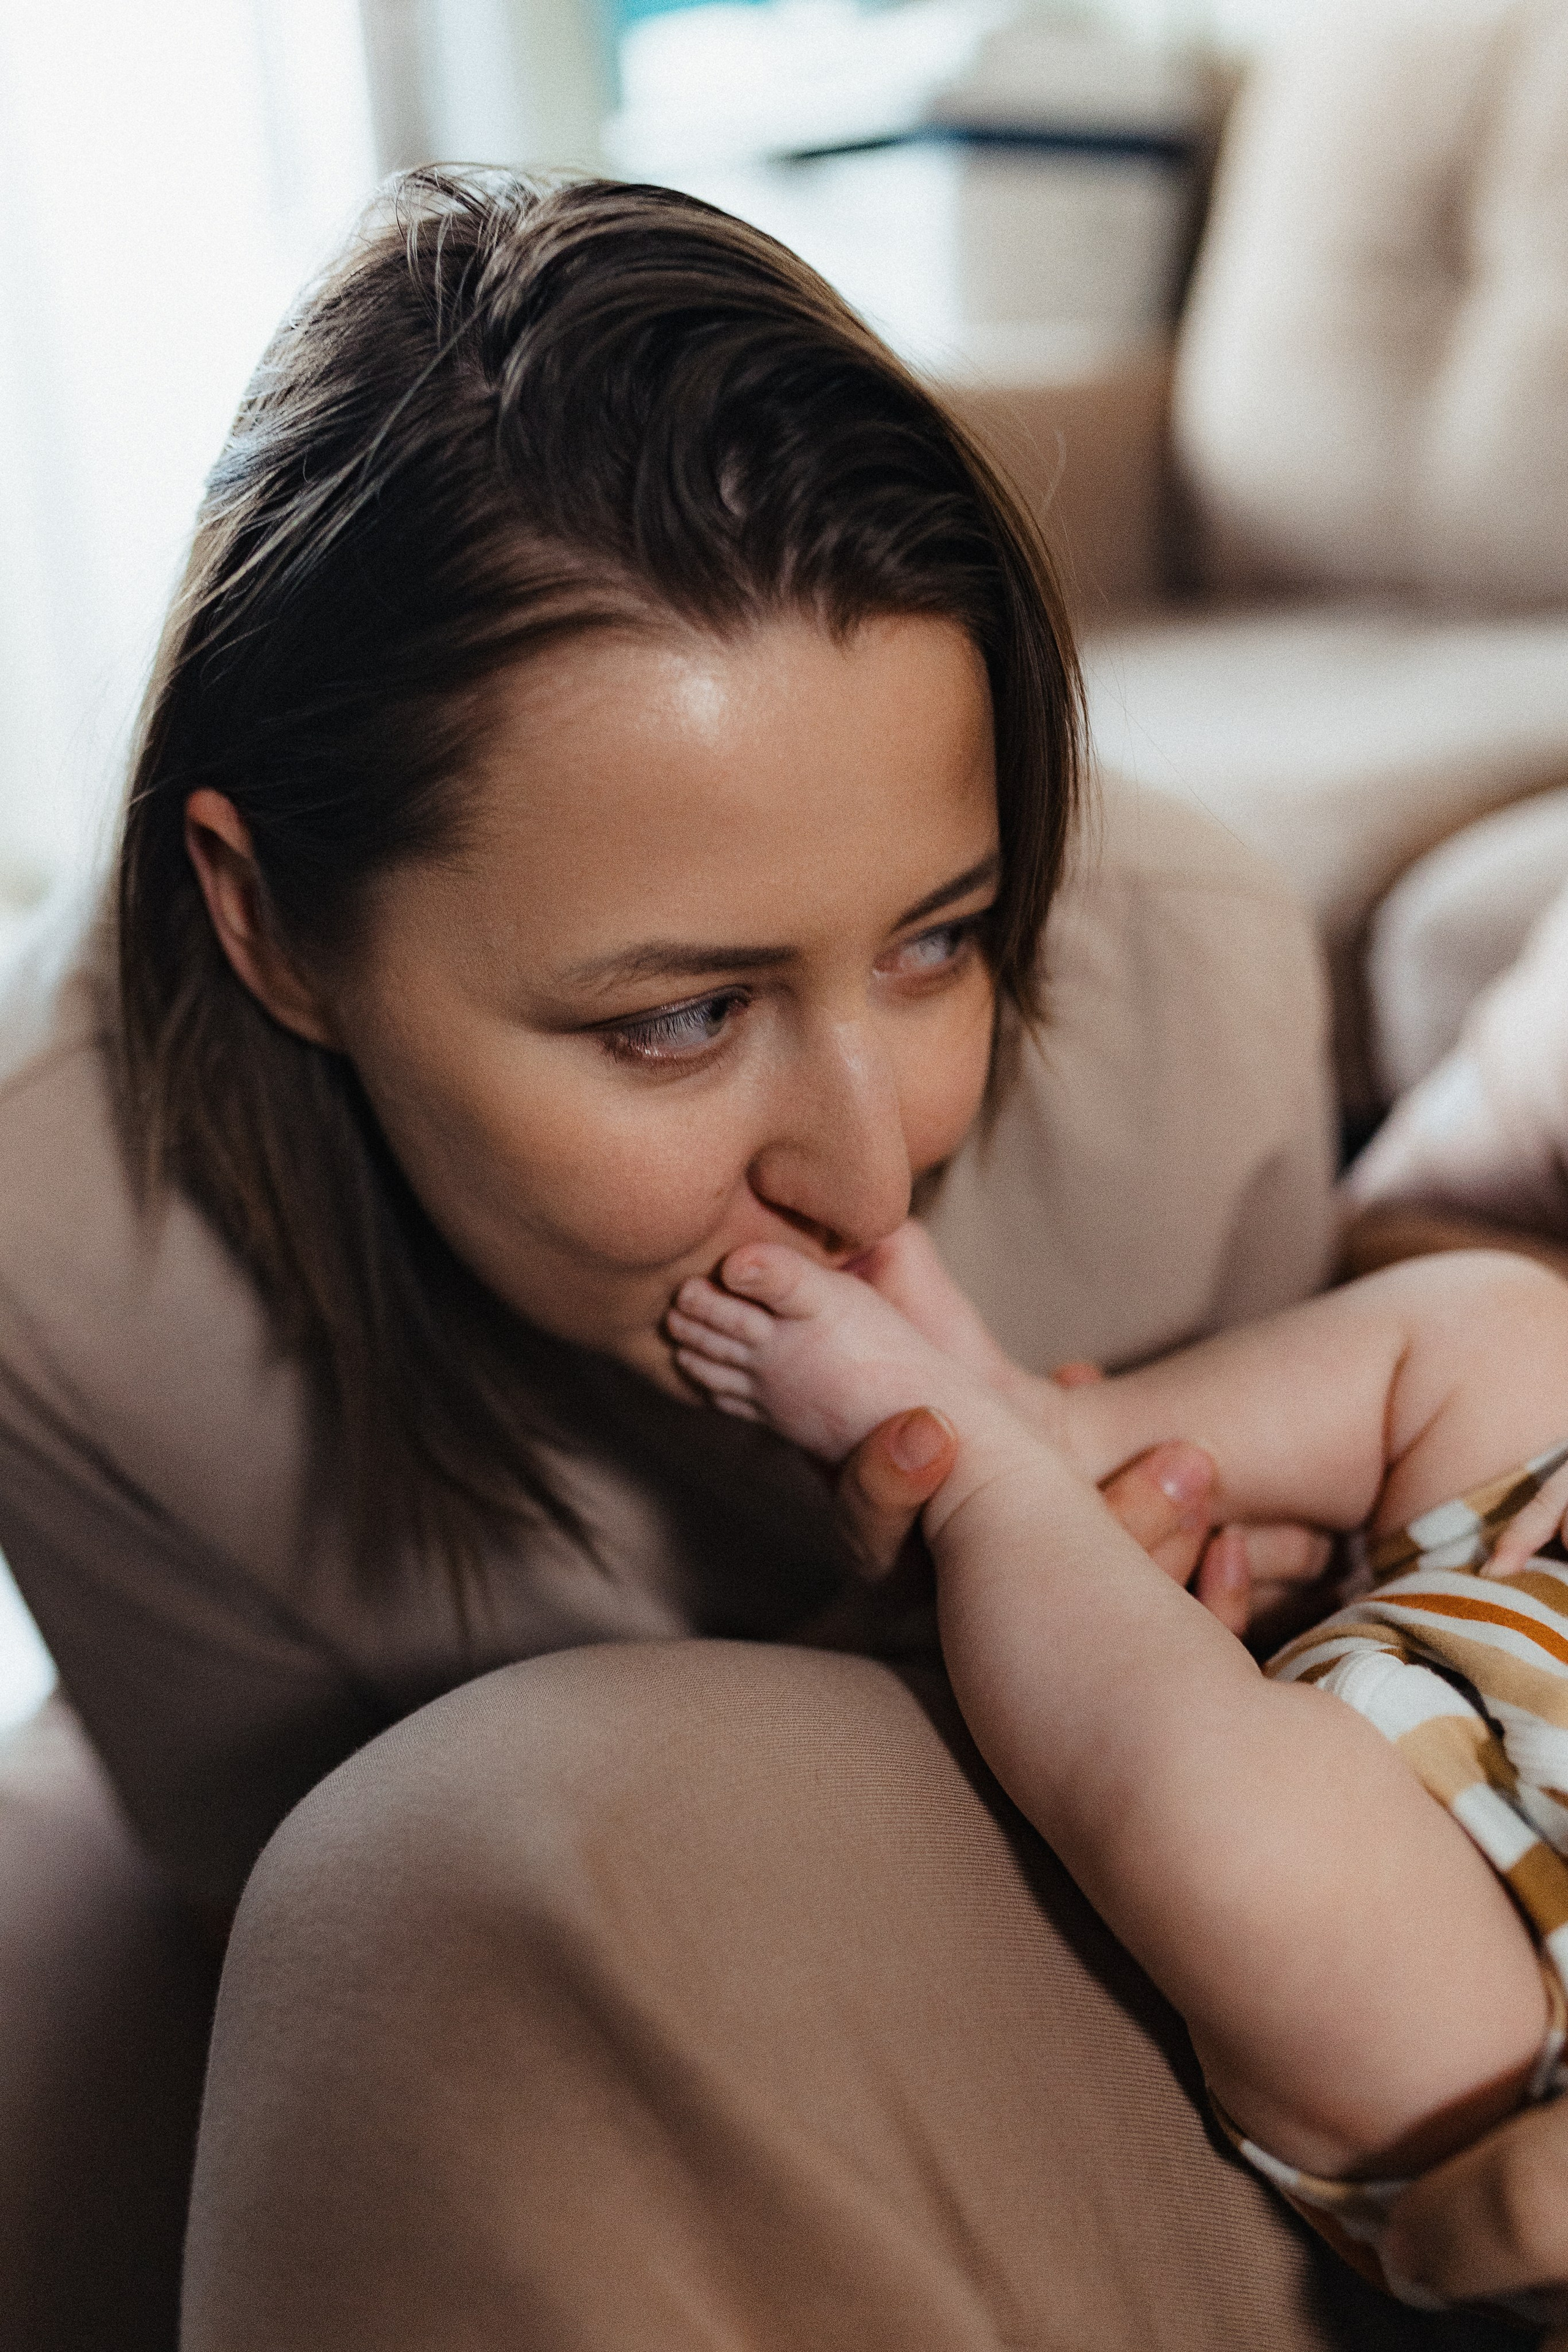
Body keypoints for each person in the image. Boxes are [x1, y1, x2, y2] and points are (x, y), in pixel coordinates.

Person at [2, 164, 1566, 2346]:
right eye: (679, 1017)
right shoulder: (52, 1267)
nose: (871, 1169)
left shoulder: (1184, 994)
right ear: (268, 926)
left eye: (940, 940)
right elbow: (248, 1914)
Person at [671, 1223, 1568, 2317]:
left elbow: (1498, 2217)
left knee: (1263, 1858)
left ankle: (991, 1479)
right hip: (1530, 1596)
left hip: (1507, 2006)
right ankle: (1066, 1429)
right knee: (1514, 1331)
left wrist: (1504, 2216)